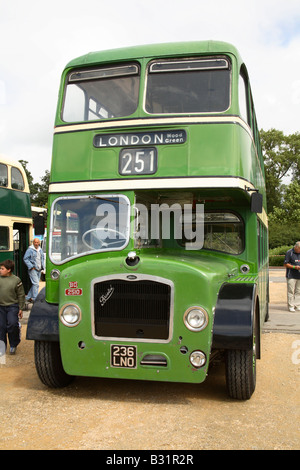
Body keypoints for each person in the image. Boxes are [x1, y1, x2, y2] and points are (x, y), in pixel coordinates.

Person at [0, 259, 25, 355]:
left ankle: (13, 344)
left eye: (2, 269)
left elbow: (21, 294)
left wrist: (21, 308)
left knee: (12, 324)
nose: (0, 270)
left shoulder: (16, 280)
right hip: (0, 307)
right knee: (1, 327)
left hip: (12, 307)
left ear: (9, 270)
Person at [23, 238, 45, 303]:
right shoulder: (30, 250)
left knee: (35, 284)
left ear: (39, 243)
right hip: (33, 269)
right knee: (36, 284)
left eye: (37, 242)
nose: (36, 243)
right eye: (35, 242)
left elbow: (42, 259)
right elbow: (25, 258)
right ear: (33, 243)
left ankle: (28, 297)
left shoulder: (40, 250)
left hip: (39, 269)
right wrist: (31, 266)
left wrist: (42, 267)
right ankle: (35, 299)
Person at [283, 241, 300, 312]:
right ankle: (291, 306)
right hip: (291, 275)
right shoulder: (289, 252)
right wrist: (294, 267)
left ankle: (297, 305)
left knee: (298, 291)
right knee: (291, 291)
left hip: (299, 276)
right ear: (296, 247)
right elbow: (285, 264)